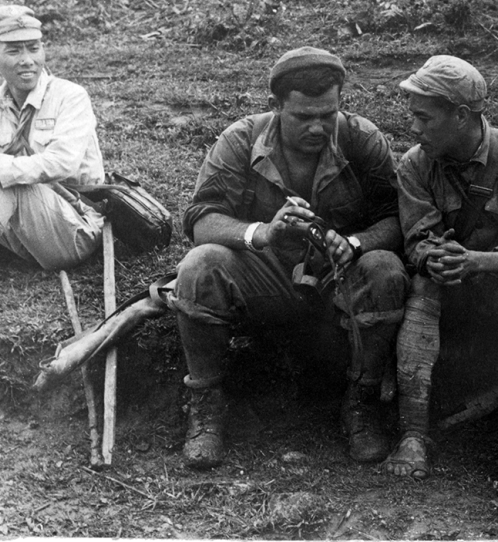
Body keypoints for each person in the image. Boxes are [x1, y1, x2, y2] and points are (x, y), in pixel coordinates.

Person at [170, 46, 409, 469]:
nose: (318, 127)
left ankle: (361, 404)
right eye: (303, 117)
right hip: (267, 275)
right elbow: (199, 218)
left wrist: (354, 244)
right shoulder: (241, 140)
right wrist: (262, 232)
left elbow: (396, 218)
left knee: (385, 269)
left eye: (328, 114)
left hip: (340, 276)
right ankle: (206, 406)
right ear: (276, 107)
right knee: (199, 265)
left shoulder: (361, 139)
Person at [384, 55, 498, 483]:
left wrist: (480, 261)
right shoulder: (415, 165)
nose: (414, 129)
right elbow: (417, 238)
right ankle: (413, 434)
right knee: (424, 285)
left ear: (461, 116)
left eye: (424, 118)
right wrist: (435, 257)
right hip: (451, 286)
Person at [0, 4, 105, 270]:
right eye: (14, 50)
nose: (27, 60)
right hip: (20, 233)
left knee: (10, 180)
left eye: (33, 48)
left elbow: (62, 164)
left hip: (74, 227)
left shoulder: (70, 96)